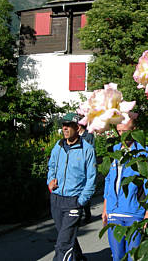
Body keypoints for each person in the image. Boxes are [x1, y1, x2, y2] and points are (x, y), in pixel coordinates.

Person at [102, 116, 148, 261]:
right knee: (117, 257)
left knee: (133, 257)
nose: (122, 135)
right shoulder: (114, 151)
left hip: (134, 213)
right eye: (119, 131)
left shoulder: (143, 153)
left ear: (134, 130)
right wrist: (105, 208)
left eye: (125, 131)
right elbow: (109, 181)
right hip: (114, 213)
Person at [47, 112, 97, 261]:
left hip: (73, 201)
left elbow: (91, 178)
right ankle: (79, 259)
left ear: (77, 127)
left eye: (68, 125)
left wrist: (81, 200)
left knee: (63, 243)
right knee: (67, 236)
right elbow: (52, 166)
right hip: (56, 199)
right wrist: (50, 181)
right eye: (63, 125)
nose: (65, 128)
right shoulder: (58, 146)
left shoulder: (87, 149)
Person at [77, 120, 95, 224]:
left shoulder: (88, 135)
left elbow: (91, 149)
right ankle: (78, 215)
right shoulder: (76, 136)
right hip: (78, 166)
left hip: (85, 166)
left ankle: (87, 214)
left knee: (85, 190)